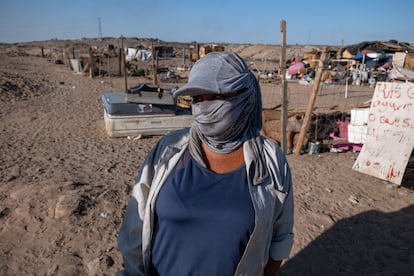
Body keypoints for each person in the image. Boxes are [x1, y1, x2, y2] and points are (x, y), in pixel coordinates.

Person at [117, 51, 294, 276]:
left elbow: (280, 239)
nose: (205, 108)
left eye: (216, 96)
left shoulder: (270, 160)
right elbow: (135, 228)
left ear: (245, 95)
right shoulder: (168, 151)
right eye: (198, 98)